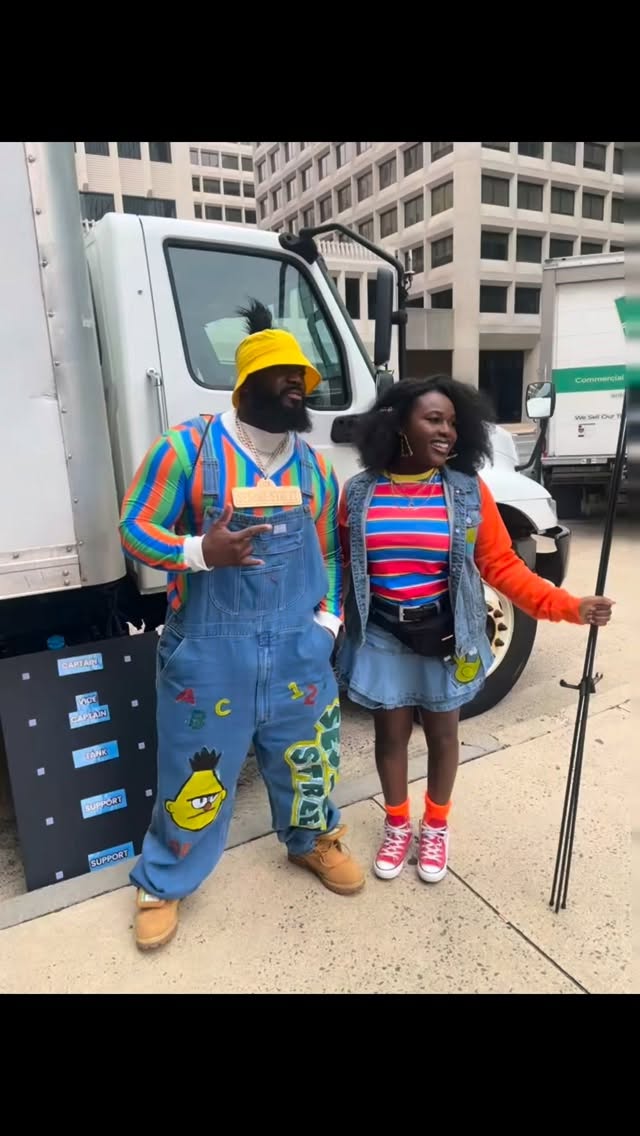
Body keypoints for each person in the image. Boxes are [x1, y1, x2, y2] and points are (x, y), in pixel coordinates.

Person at [119, 300, 364, 951]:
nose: (298, 386)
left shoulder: (313, 466)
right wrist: (201, 552)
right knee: (191, 770)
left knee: (309, 760)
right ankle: (164, 880)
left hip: (298, 649)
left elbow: (331, 553)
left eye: (304, 380)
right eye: (285, 375)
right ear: (247, 382)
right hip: (208, 650)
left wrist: (328, 624)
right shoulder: (188, 448)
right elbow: (135, 527)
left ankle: (311, 839)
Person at [335, 376, 614, 885]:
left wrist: (568, 607)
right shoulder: (359, 492)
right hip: (382, 633)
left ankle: (435, 826)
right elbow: (342, 568)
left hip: (446, 633)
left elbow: (502, 567)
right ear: (399, 423)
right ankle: (398, 826)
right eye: (434, 420)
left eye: (453, 423)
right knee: (390, 736)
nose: (447, 432)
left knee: (443, 735)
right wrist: (323, 625)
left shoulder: (467, 491)